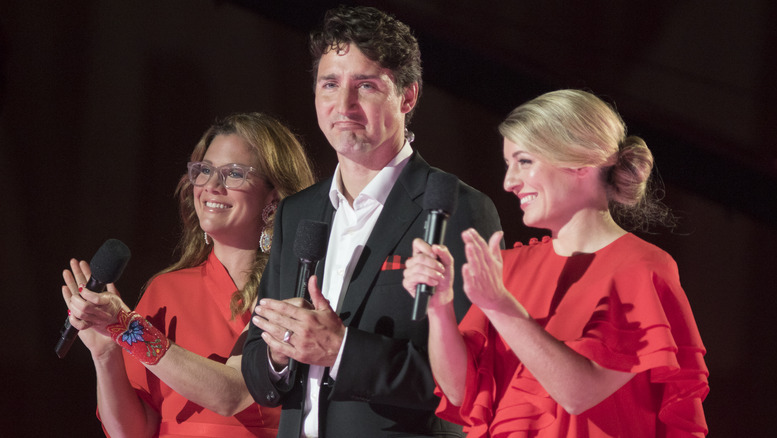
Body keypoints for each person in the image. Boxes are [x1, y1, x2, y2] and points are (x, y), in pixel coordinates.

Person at [241, 6, 503, 438]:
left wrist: (341, 350)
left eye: (365, 85)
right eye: (330, 84)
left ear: (408, 97)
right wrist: (280, 355)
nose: (344, 105)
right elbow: (257, 366)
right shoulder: (297, 212)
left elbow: (474, 379)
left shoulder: (457, 208)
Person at [403, 89, 710, 437]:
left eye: (524, 161)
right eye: (508, 165)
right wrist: (439, 308)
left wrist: (501, 305)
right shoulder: (510, 267)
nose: (509, 182)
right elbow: (460, 392)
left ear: (580, 160)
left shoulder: (641, 267)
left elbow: (579, 394)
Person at [61, 112, 316, 437]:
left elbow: (231, 395)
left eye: (234, 173)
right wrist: (105, 352)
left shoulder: (293, 289)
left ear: (273, 194)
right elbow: (132, 432)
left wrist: (127, 328)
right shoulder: (166, 290)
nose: (211, 185)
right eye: (205, 171)